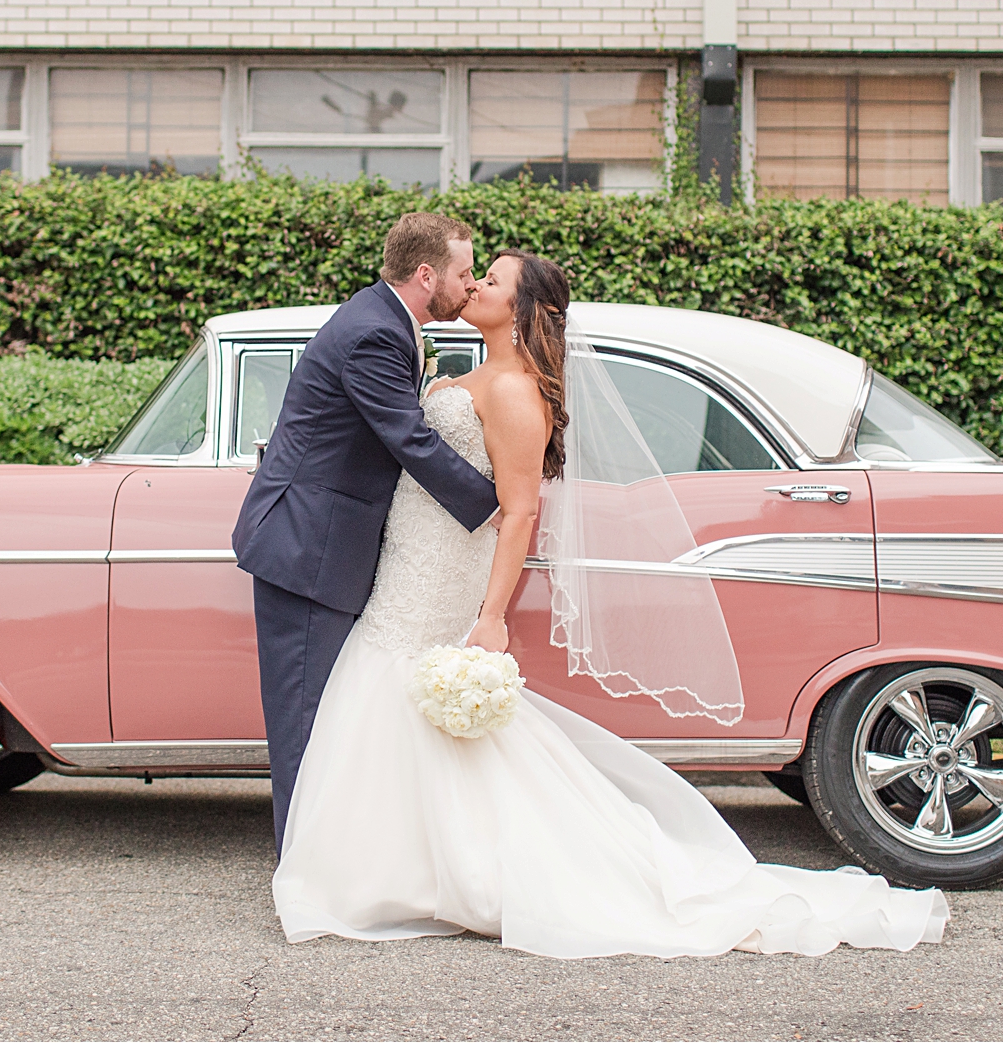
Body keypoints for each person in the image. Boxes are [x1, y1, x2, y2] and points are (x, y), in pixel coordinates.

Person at [271, 248, 951, 959]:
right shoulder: (465, 371)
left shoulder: (512, 390)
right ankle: (409, 868)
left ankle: (430, 874)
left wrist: (493, 616)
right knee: (401, 707)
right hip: (413, 553)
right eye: (475, 275)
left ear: (523, 309)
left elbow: (522, 512)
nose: (474, 285)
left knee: (403, 691)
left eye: (492, 281)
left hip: (441, 569)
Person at [233, 211, 502, 853]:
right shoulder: (375, 334)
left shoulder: (386, 321)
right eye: (464, 273)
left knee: (330, 716)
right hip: (307, 544)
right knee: (305, 718)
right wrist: (497, 507)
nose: (469, 286)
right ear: (426, 273)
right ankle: (300, 869)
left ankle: (327, 858)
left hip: (329, 540)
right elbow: (407, 437)